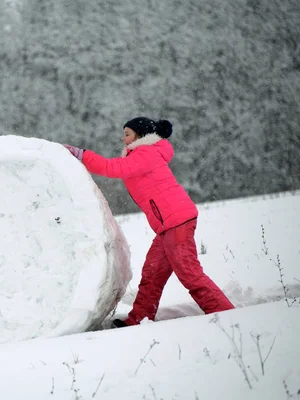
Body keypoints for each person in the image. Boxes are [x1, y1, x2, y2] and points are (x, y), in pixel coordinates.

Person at [63, 117, 234, 327]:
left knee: (189, 274)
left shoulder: (145, 153)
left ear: (140, 136)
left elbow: (112, 168)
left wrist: (82, 155)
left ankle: (226, 314)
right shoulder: (144, 153)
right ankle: (138, 320)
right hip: (169, 225)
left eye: (127, 134)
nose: (123, 138)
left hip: (176, 222)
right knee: (152, 275)